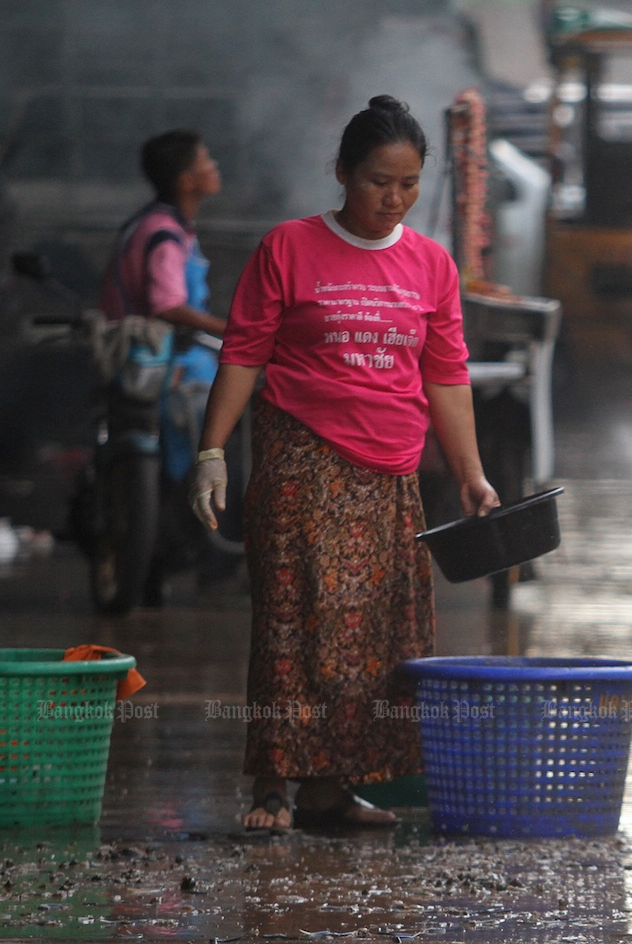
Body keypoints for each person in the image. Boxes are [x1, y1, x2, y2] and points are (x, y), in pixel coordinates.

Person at [188, 96, 500, 833]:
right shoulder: (288, 247)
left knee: (375, 638)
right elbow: (243, 353)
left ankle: (331, 789)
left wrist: (471, 473)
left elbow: (447, 377)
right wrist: (211, 451)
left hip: (390, 475)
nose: (393, 199)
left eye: (408, 183)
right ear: (341, 174)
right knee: (294, 624)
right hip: (300, 462)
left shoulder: (431, 265)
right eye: (377, 181)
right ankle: (272, 783)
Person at [100, 128, 227, 497]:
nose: (215, 167)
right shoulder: (164, 235)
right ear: (186, 181)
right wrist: (230, 329)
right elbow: (167, 304)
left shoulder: (154, 224)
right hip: (166, 365)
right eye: (206, 161)